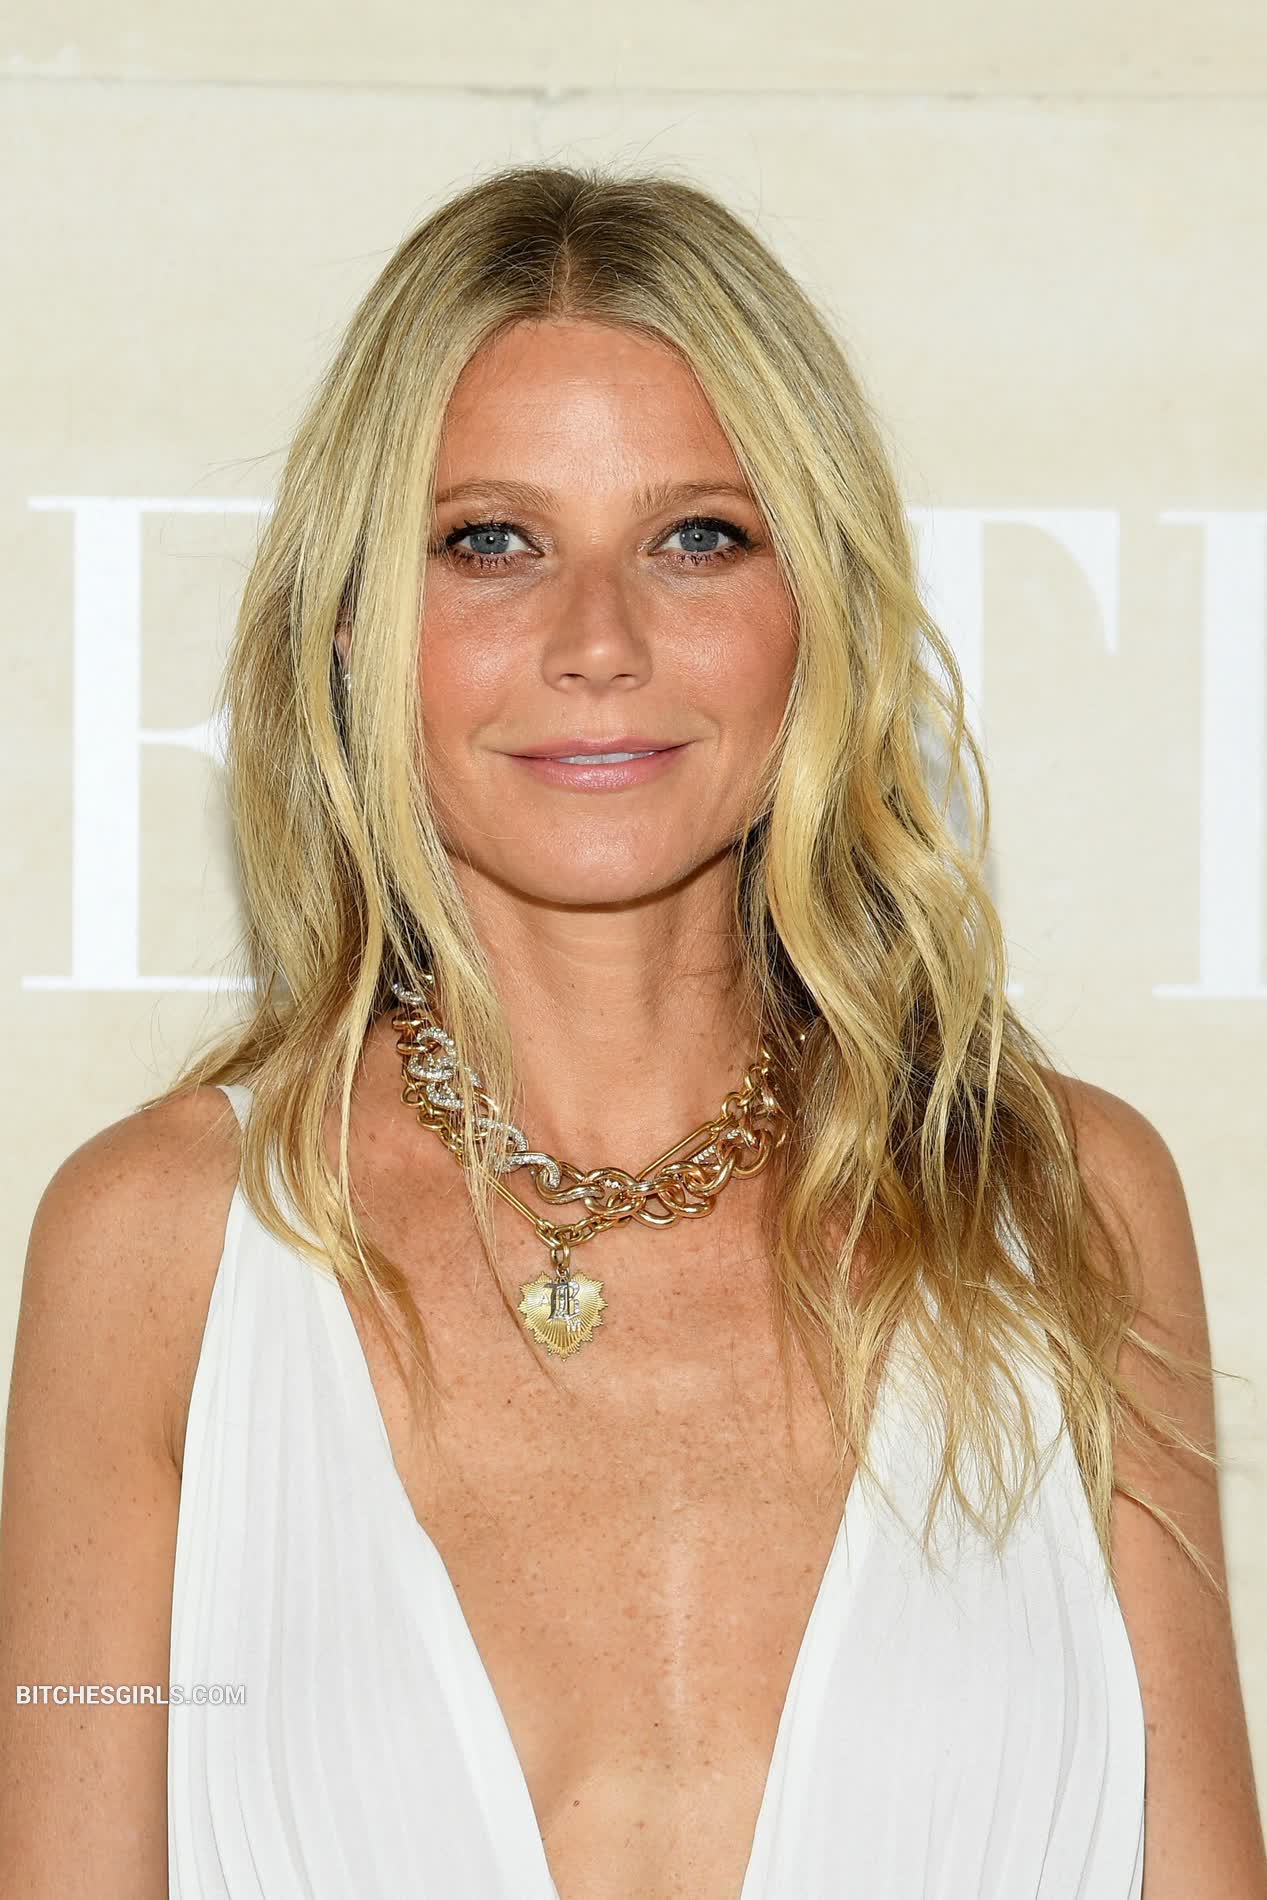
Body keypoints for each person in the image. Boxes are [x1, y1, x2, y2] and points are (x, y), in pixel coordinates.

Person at [1, 161, 1263, 1900]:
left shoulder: (1063, 1205)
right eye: (491, 542)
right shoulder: (156, 1250)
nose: (597, 641)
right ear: (357, 624)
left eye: (697, 539)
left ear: (818, 609)